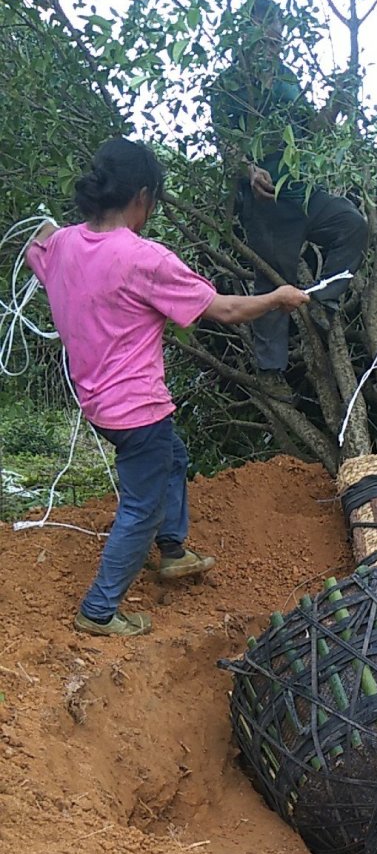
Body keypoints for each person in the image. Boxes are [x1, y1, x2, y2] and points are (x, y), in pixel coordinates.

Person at [27, 136, 308, 638]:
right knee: (141, 505)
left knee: (172, 458)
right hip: (137, 409)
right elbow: (222, 310)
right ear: (142, 196)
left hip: (96, 400)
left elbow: (37, 247)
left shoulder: (64, 244)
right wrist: (276, 298)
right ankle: (99, 610)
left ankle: (174, 550)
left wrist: (49, 230)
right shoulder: (144, 258)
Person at [212, 0, 368, 394]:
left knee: (351, 224)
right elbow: (226, 145)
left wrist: (336, 104)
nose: (273, 45)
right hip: (265, 204)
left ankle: (325, 301)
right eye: (265, 37)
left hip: (301, 191)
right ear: (244, 36)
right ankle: (270, 371)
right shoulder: (227, 86)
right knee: (271, 280)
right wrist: (248, 170)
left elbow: (310, 130)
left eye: (277, 38)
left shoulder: (287, 79)